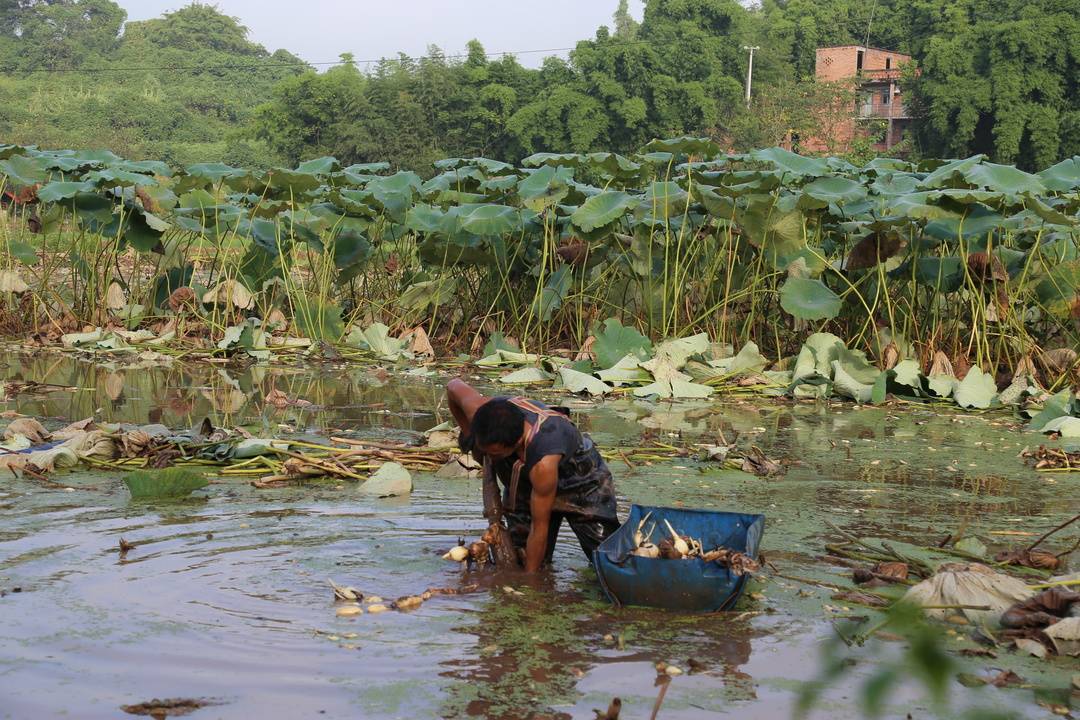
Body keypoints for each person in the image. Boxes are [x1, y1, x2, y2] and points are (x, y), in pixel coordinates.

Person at [446, 379, 620, 573]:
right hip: (524, 477)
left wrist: (530, 585)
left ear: (516, 444)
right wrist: (468, 431)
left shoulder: (542, 462)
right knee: (519, 557)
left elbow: (540, 527)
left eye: (494, 455)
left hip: (579, 479)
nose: (487, 459)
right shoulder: (479, 411)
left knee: (609, 559)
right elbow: (453, 385)